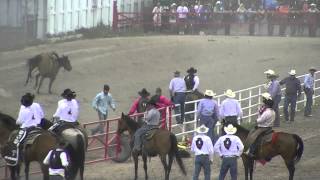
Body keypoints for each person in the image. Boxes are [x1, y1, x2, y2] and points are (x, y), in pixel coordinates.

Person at [5, 93, 43, 165]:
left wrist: (17, 122)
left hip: (27, 128)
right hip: (38, 126)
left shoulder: (23, 110)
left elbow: (19, 122)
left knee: (16, 141)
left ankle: (15, 156)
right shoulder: (36, 105)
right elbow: (42, 115)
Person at [244, 93, 275, 157]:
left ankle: (250, 152)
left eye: (264, 100)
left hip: (263, 127)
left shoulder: (266, 112)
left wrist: (255, 121)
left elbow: (260, 120)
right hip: (269, 127)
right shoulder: (272, 111)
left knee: (253, 137)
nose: (263, 101)